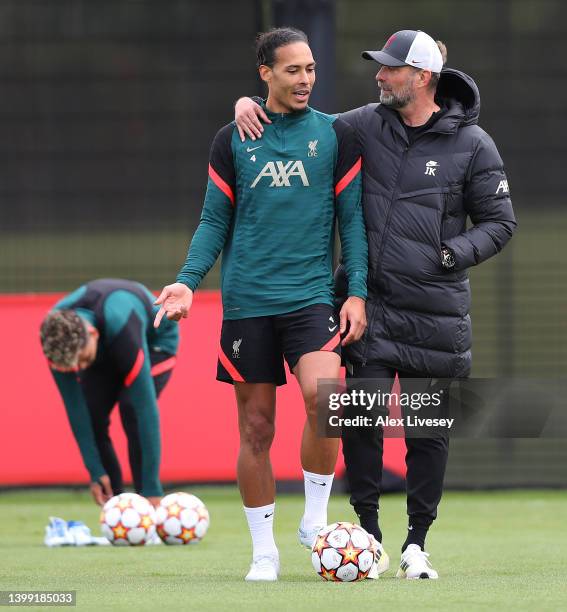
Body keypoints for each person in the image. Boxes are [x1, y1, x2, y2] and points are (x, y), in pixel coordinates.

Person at [234, 29, 516, 579]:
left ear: (423, 78)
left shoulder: (474, 145)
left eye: (390, 69)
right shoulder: (361, 125)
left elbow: (501, 222)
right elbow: (297, 121)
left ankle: (416, 543)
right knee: (359, 422)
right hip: (369, 310)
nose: (380, 76)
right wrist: (247, 103)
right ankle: (369, 531)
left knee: (426, 432)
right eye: (380, 68)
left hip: (436, 311)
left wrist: (449, 256)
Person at [154, 27, 368, 581]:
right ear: (265, 73)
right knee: (256, 430)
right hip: (248, 303)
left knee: (329, 402)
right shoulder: (231, 139)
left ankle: (315, 521)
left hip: (312, 297)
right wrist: (185, 281)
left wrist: (359, 293)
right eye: (293, 70)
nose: (305, 80)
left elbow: (353, 224)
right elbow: (212, 221)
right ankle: (263, 552)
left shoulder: (336, 135)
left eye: (312, 69)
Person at [40, 278, 179, 507]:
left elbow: (146, 410)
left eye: (82, 360)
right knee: (92, 412)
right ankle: (115, 504)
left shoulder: (122, 325)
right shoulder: (55, 338)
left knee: (131, 408)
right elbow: (76, 408)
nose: (80, 368)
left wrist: (152, 488)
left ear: (92, 333)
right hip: (102, 351)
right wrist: (94, 469)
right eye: (75, 366)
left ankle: (146, 497)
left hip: (154, 342)